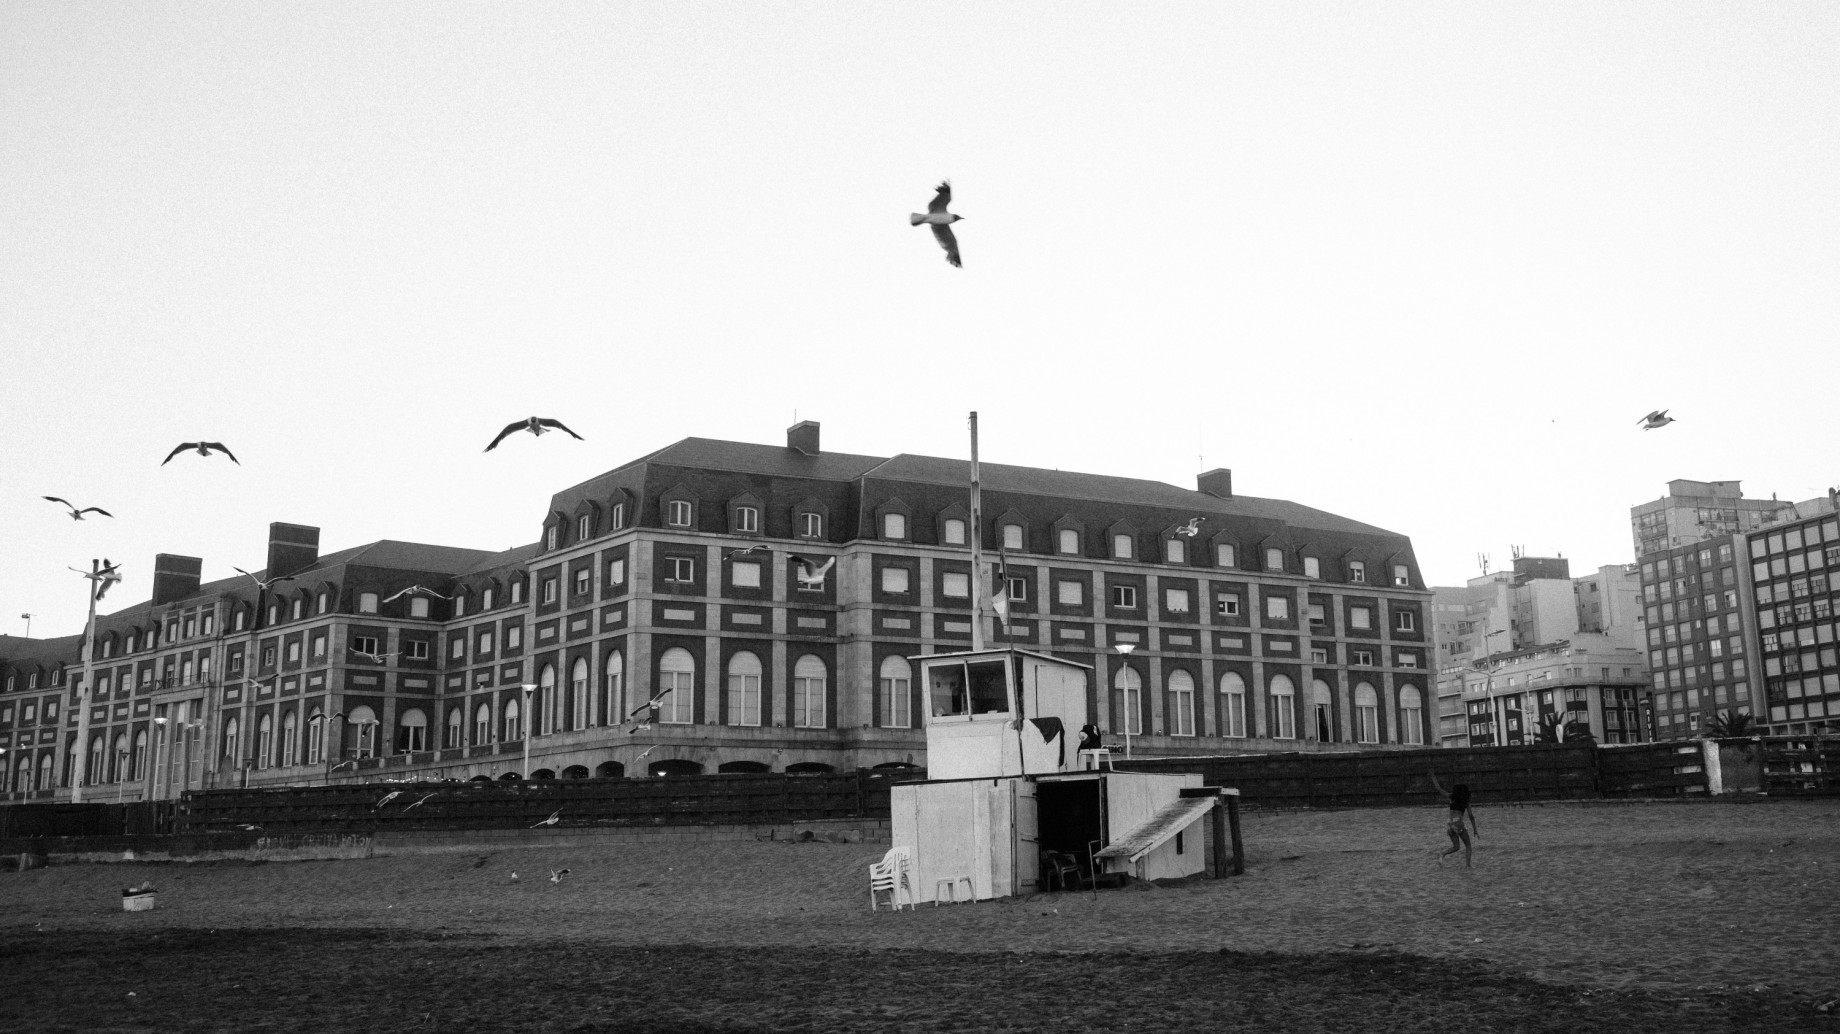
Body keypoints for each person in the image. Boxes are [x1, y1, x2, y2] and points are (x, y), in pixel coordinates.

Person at [1429, 769, 1479, 866]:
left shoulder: (1451, 797)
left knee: (1456, 847)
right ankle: (1468, 866)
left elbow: (1439, 789)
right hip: (1458, 824)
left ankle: (1442, 854)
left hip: (1449, 823)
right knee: (1468, 846)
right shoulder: (1466, 801)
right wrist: (1475, 829)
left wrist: (1433, 777)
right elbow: (1471, 816)